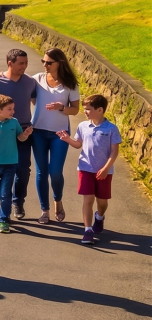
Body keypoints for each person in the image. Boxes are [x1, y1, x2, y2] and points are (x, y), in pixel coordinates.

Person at [0, 49, 39, 221]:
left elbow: (38, 101)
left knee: (23, 169)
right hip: (2, 131)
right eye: (21, 63)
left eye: (26, 63)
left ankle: (18, 202)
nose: (25, 66)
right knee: (0, 171)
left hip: (22, 129)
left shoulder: (30, 82)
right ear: (10, 63)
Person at [58, 95, 122, 245]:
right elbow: (78, 144)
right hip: (85, 168)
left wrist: (106, 168)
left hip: (104, 171)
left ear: (100, 110)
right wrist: (68, 139)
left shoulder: (111, 129)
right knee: (88, 199)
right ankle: (88, 230)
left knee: (102, 202)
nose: (85, 111)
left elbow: (114, 152)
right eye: (85, 108)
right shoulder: (83, 126)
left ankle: (99, 217)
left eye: (88, 109)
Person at [31, 48, 81, 222]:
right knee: (41, 172)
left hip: (60, 133)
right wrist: (1, 75)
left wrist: (61, 107)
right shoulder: (37, 79)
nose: (45, 65)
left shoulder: (70, 84)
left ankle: (57, 200)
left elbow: (75, 110)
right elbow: (19, 81)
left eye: (49, 62)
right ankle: (44, 210)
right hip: (38, 131)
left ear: (59, 63)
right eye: (43, 61)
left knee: (55, 171)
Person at [0, 95, 32, 234]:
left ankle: (4, 220)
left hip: (10, 163)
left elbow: (20, 138)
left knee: (5, 194)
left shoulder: (14, 122)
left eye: (13, 109)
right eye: (9, 109)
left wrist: (26, 134)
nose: (13, 112)